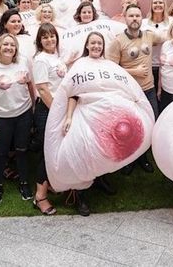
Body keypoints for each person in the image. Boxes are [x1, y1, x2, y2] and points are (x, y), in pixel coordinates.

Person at [107, 4, 165, 174]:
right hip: (128, 93)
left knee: (150, 123)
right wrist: (134, 71)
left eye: (137, 16)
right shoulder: (117, 41)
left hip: (148, 90)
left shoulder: (148, 36)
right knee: (130, 126)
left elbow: (167, 36)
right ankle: (129, 159)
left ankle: (143, 157)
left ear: (142, 18)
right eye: (131, 16)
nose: (134, 19)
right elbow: (111, 68)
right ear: (125, 18)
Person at [0, 33, 36, 205]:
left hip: (23, 114)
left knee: (22, 150)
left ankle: (24, 183)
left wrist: (33, 109)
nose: (9, 48)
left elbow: (30, 86)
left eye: (12, 45)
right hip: (1, 116)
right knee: (1, 152)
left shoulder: (22, 63)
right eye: (5, 44)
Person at [61, 32, 107, 216]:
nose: (96, 46)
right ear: (87, 45)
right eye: (93, 43)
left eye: (99, 43)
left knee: (103, 149)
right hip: (84, 113)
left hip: (103, 114)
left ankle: (101, 179)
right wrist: (70, 117)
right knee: (84, 152)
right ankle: (80, 196)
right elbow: (74, 92)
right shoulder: (80, 64)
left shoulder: (107, 65)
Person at [31, 23, 64, 216]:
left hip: (57, 108)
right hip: (48, 109)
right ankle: (40, 196)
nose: (50, 40)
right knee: (47, 152)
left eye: (52, 36)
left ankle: (49, 183)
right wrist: (56, 112)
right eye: (45, 37)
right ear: (39, 41)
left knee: (55, 151)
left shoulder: (56, 57)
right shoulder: (41, 60)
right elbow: (42, 89)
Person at [141, 0, 169, 94]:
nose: (158, 5)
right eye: (155, 3)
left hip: (165, 66)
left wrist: (152, 39)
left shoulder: (170, 23)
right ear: (151, 6)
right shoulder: (143, 23)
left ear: (164, 5)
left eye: (160, 3)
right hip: (147, 66)